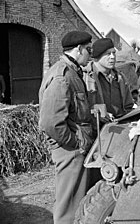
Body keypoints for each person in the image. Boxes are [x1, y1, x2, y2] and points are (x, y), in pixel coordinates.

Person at [38, 30, 94, 224]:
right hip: (69, 150)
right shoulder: (62, 76)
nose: (91, 54)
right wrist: (76, 143)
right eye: (89, 49)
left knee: (76, 203)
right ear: (79, 49)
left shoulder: (72, 72)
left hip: (74, 148)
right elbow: (50, 122)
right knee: (67, 209)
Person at [83, 37, 134, 125]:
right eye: (108, 54)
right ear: (97, 56)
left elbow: (128, 106)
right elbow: (80, 110)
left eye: (114, 53)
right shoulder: (86, 77)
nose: (112, 57)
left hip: (119, 126)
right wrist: (97, 113)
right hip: (96, 129)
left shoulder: (120, 77)